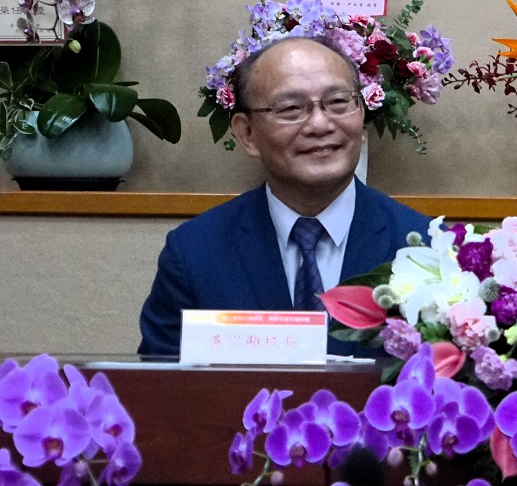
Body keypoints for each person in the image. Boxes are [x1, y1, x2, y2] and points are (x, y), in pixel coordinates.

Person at [138, 36, 428, 357]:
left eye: (338, 102)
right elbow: (161, 381)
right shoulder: (195, 253)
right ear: (247, 134)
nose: (320, 124)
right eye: (291, 109)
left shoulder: (426, 248)